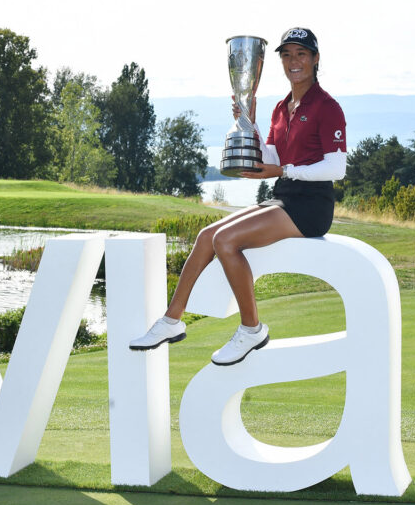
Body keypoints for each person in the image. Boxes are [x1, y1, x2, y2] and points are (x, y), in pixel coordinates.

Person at [130, 27, 347, 365]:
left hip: (311, 206)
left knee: (226, 241)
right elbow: (270, 159)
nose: (294, 61)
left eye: (301, 54)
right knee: (206, 237)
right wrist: (250, 122)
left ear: (316, 59)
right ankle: (171, 320)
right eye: (287, 54)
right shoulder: (280, 108)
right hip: (284, 197)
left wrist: (285, 171)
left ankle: (251, 329)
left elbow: (336, 168)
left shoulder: (327, 106)